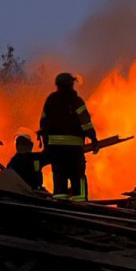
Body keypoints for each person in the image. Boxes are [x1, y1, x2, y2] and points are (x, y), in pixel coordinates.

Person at [38, 72, 97, 201]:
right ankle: (81, 203)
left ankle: (60, 205)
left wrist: (46, 144)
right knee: (78, 177)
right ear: (71, 85)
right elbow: (86, 123)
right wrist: (93, 139)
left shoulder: (51, 100)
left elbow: (43, 123)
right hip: (74, 151)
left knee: (59, 178)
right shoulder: (76, 101)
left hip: (56, 151)